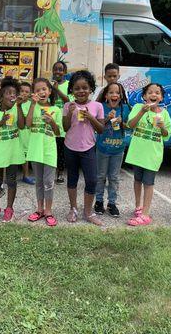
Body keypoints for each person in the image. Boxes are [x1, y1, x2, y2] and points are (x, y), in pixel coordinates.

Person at [125, 83, 171, 226]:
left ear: (161, 97)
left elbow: (167, 135)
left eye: (157, 93)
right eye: (150, 92)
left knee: (149, 182)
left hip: (153, 154)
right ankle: (139, 207)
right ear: (144, 96)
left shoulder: (164, 113)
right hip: (138, 152)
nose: (154, 95)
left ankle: (145, 215)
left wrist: (162, 126)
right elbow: (130, 125)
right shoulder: (138, 108)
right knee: (137, 179)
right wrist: (142, 112)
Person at [63, 71, 105, 226]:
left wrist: (90, 117)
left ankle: (88, 212)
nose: (81, 91)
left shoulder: (97, 106)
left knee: (92, 180)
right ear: (72, 91)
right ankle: (73, 208)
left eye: (85, 88)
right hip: (70, 147)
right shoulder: (68, 105)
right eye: (77, 88)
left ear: (91, 89)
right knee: (72, 179)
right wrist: (70, 113)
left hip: (88, 148)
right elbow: (65, 128)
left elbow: (101, 129)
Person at [0, 78, 26, 223]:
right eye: (8, 93)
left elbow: (21, 126)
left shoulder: (17, 109)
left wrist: (19, 107)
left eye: (14, 93)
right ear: (0, 98)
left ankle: (9, 208)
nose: (12, 96)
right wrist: (1, 122)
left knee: (11, 180)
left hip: (12, 151)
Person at [26, 78, 62, 226]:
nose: (41, 92)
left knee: (48, 182)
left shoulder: (56, 110)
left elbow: (58, 132)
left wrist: (52, 121)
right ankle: (39, 209)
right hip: (35, 150)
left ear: (49, 91)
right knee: (39, 182)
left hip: (49, 151)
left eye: (44, 89)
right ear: (34, 93)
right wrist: (32, 104)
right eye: (38, 90)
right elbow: (27, 124)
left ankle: (48, 211)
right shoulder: (32, 106)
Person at [94, 82, 131, 218]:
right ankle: (98, 201)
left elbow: (130, 126)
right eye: (111, 92)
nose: (114, 95)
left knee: (114, 178)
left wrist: (122, 123)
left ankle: (112, 203)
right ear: (106, 96)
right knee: (100, 176)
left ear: (121, 96)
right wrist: (107, 118)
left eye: (117, 93)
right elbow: (96, 125)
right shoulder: (100, 107)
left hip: (118, 149)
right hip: (102, 148)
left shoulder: (125, 108)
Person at [52, 61, 70, 184]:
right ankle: (51, 172)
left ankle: (60, 173)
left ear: (64, 72)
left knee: (61, 150)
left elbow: (68, 101)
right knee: (52, 148)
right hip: (51, 120)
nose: (58, 72)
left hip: (63, 121)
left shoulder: (68, 85)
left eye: (60, 69)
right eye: (56, 69)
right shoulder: (49, 84)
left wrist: (57, 90)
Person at [18, 81, 35, 185]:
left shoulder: (31, 104)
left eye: (26, 91)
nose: (24, 93)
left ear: (30, 93)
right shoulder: (15, 102)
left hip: (26, 134)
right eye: (21, 91)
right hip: (16, 133)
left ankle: (26, 175)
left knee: (25, 155)